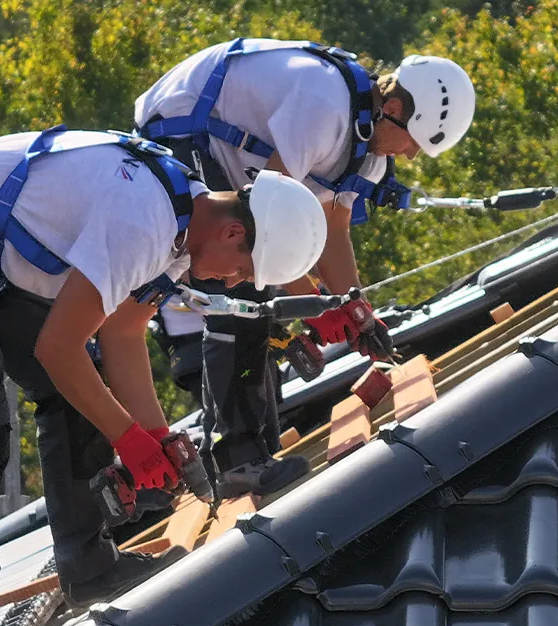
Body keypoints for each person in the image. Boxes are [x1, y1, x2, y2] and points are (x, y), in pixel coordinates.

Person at [0, 126, 327, 626]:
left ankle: (89, 566)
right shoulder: (145, 221)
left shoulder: (183, 228)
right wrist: (128, 439)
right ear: (235, 232)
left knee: (80, 392)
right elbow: (56, 347)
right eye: (242, 270)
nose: (230, 279)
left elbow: (121, 335)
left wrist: (157, 438)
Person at [134, 38, 476, 499]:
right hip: (179, 128)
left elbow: (333, 230)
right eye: (414, 141)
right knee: (243, 291)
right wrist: (315, 305)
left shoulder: (371, 153)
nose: (411, 156)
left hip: (240, 169)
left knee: (261, 290)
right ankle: (239, 462)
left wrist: (355, 309)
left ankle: (255, 450)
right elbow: (268, 223)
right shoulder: (324, 105)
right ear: (392, 106)